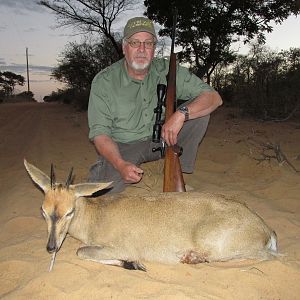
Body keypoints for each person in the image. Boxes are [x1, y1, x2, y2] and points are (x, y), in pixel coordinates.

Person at [87, 16, 222, 193]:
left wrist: (181, 114)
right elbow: (100, 134)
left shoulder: (166, 69)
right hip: (125, 146)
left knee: (199, 112)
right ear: (124, 47)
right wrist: (120, 165)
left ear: (154, 48)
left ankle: (175, 169)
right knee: (102, 195)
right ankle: (111, 168)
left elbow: (214, 98)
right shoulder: (104, 81)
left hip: (164, 139)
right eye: (135, 42)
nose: (142, 49)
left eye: (148, 43)